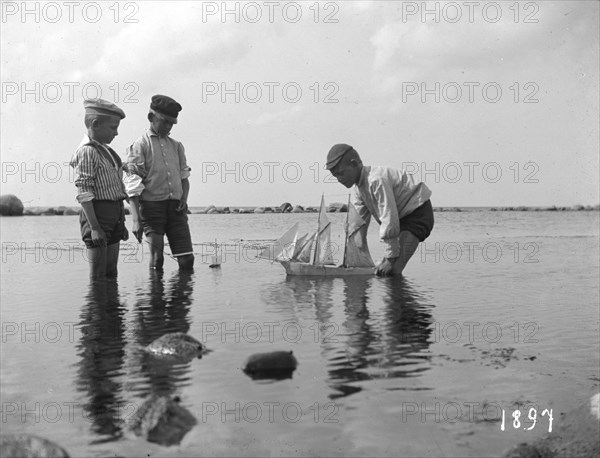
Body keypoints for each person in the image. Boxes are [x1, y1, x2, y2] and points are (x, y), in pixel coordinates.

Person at [326, 144, 434, 277]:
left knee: (393, 270)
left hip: (417, 213)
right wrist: (353, 259)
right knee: (381, 271)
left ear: (354, 164)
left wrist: (389, 259)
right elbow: (357, 225)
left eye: (341, 173)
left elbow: (388, 217)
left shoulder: (376, 180)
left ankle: (398, 294)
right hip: (400, 218)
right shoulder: (359, 189)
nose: (339, 180)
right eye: (335, 176)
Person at [124, 95, 194, 271]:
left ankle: (182, 298)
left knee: (187, 259)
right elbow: (132, 186)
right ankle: (155, 298)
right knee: (157, 259)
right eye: (164, 122)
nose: (168, 127)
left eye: (172, 123)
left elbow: (184, 177)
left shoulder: (177, 146)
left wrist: (184, 199)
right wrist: (136, 220)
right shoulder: (140, 145)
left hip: (176, 209)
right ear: (151, 118)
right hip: (152, 208)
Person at [70, 99, 128, 280]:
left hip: (115, 213)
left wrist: (121, 222)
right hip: (97, 214)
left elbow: (115, 186)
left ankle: (112, 308)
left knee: (111, 272)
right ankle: (96, 307)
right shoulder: (87, 152)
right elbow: (84, 191)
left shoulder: (107, 151)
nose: (116, 132)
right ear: (95, 124)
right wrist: (95, 227)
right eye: (113, 127)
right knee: (98, 275)